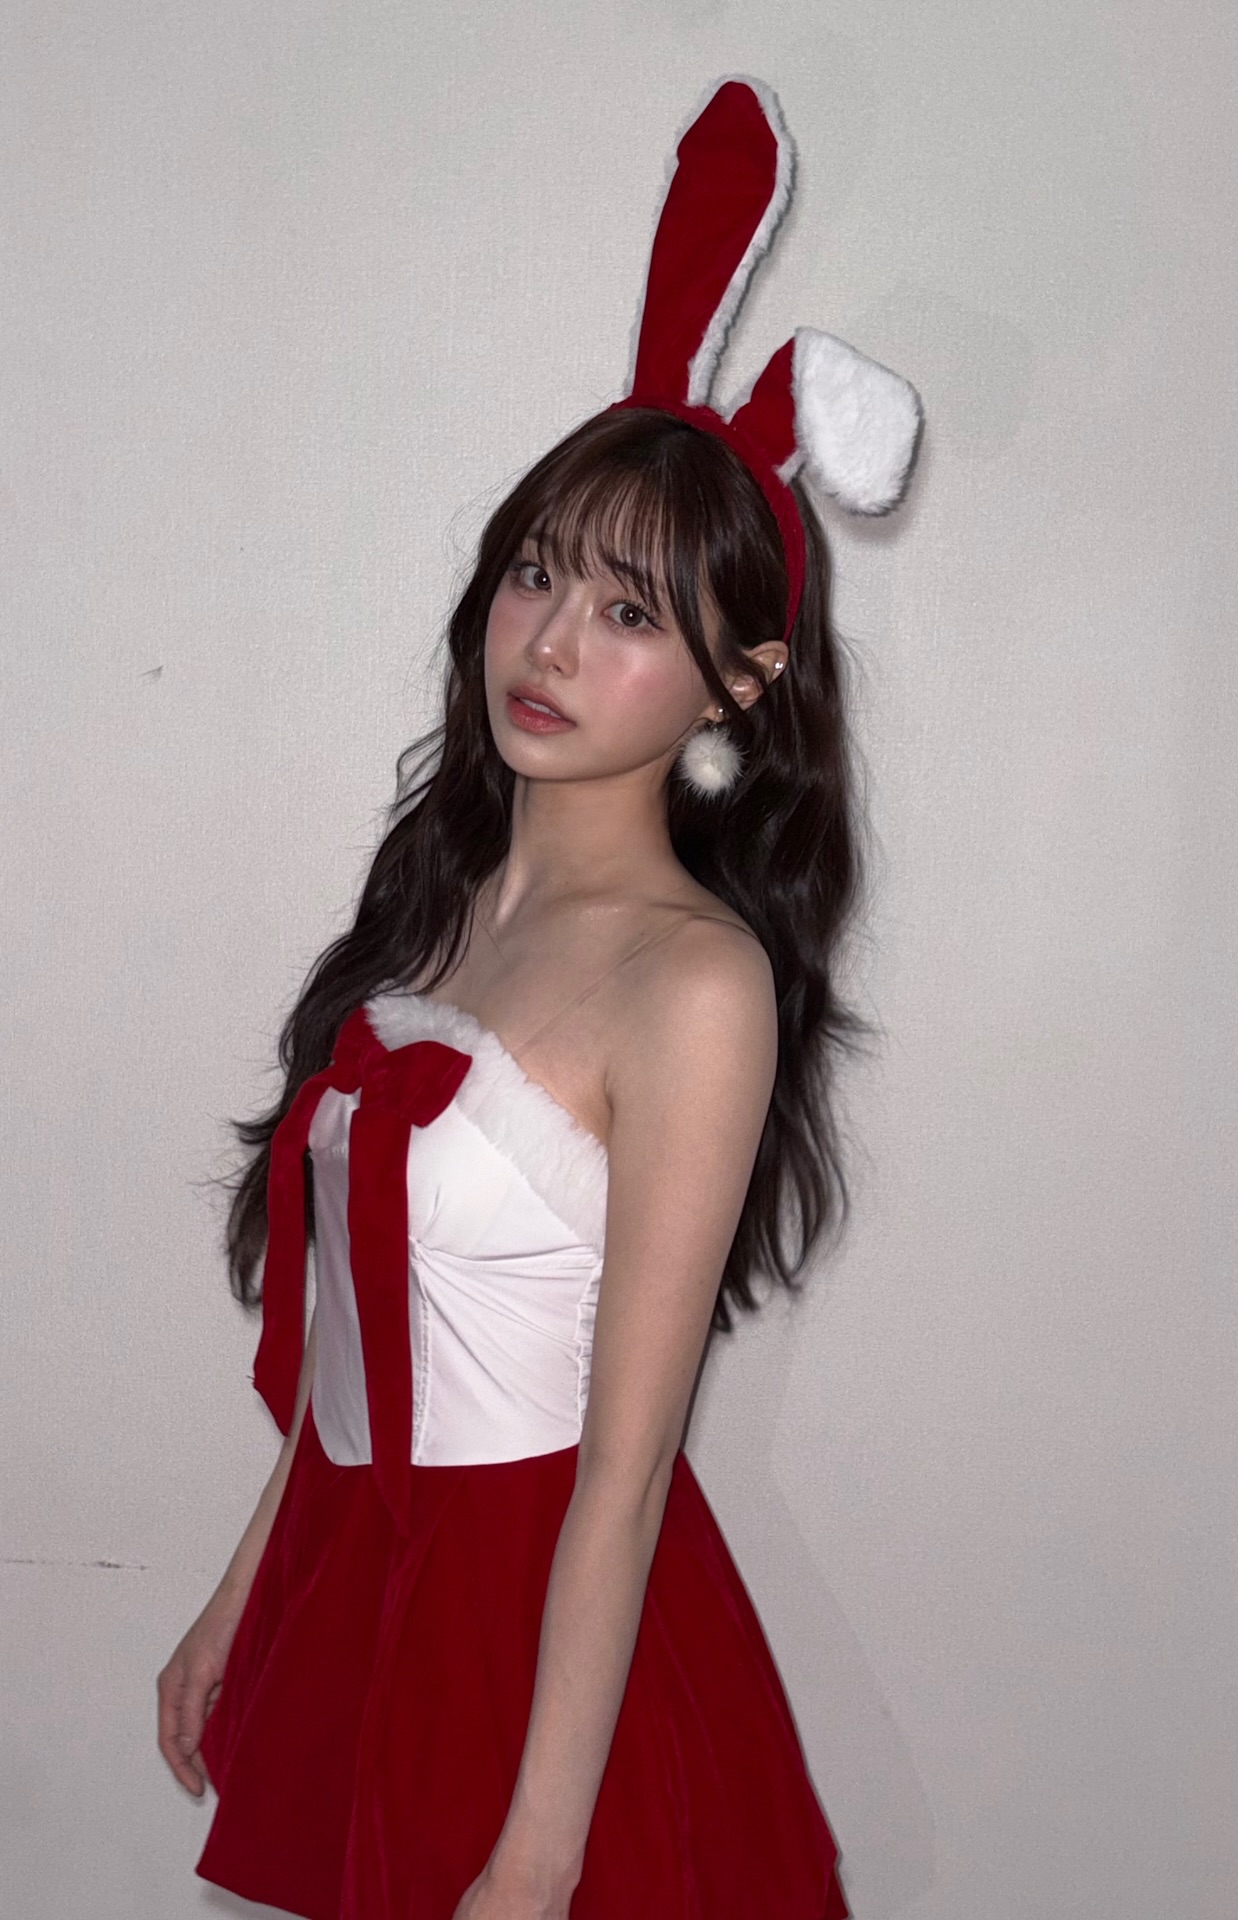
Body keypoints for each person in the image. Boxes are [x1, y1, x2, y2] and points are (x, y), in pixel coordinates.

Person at [155, 78, 920, 1920]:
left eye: (632, 613)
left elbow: (627, 1473)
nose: (553, 641)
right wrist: (242, 1592)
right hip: (361, 1578)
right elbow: (361, 1334)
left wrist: (540, 1858)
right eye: (536, 572)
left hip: (545, 1641)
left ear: (741, 684)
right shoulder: (444, 910)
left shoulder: (697, 982)